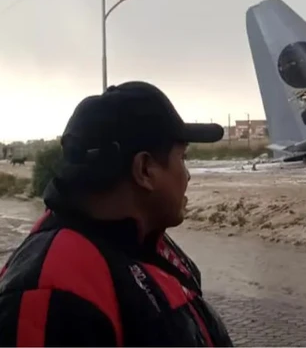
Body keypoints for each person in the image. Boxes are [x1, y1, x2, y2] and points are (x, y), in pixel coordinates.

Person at [0, 81, 234, 346]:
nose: (188, 175)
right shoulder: (53, 290)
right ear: (145, 170)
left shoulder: (144, 240)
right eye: (182, 158)